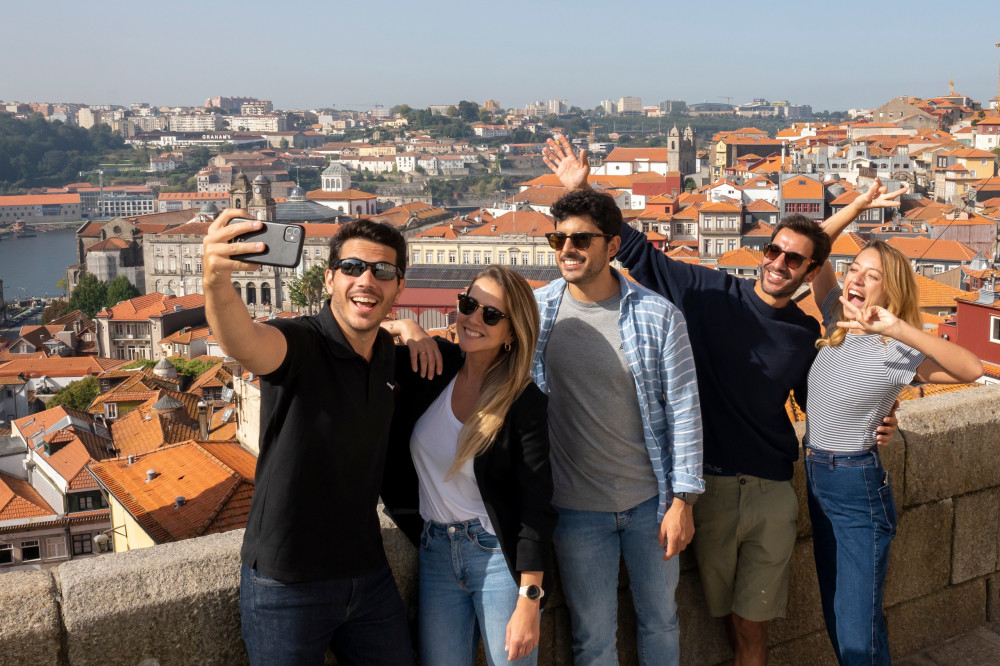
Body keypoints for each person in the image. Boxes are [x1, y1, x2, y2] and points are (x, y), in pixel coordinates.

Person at [541, 136, 901, 665]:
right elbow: (632, 248)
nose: (779, 263)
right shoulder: (709, 293)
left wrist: (882, 418)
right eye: (772, 251)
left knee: (748, 628)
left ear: (808, 272)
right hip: (707, 486)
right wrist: (581, 188)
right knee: (720, 622)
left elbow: (826, 400)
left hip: (772, 488)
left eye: (794, 259)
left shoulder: (804, 334)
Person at [202, 211, 414, 666]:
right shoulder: (299, 342)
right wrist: (216, 281)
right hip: (287, 583)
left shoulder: (388, 356)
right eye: (354, 268)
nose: (368, 281)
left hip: (368, 573)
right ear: (330, 278)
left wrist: (411, 332)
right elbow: (244, 341)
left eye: (383, 272)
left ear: (399, 287)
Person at [533, 188, 703, 665]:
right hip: (574, 509)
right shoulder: (536, 312)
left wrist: (683, 502)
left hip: (650, 503)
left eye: (581, 239)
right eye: (559, 239)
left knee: (662, 623)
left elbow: (685, 410)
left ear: (612, 246)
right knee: (592, 638)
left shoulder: (658, 315)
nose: (567, 249)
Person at [804, 238, 983, 663]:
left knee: (855, 625)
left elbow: (972, 369)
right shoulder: (835, 317)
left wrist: (899, 328)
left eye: (873, 277)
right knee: (843, 615)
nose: (857, 280)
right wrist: (863, 204)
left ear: (890, 292)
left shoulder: (898, 349)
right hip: (817, 477)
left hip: (855, 487)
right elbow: (817, 244)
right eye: (855, 271)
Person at [381, 266, 556, 666]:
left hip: (496, 558)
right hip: (435, 551)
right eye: (468, 304)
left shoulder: (524, 403)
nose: (473, 319)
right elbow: (354, 347)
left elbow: (536, 506)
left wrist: (530, 599)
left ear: (513, 333)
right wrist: (403, 324)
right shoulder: (432, 365)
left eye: (491, 315)